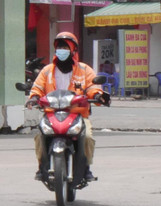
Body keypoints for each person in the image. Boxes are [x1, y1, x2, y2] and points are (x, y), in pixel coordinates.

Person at [27, 31, 106, 182]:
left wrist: (96, 95)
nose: (61, 51)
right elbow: (38, 87)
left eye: (65, 47)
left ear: (73, 49)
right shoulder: (47, 70)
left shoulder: (84, 70)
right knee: (39, 136)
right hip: (51, 113)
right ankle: (42, 166)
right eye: (59, 47)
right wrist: (34, 97)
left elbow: (93, 86)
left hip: (77, 114)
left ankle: (86, 167)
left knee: (87, 137)